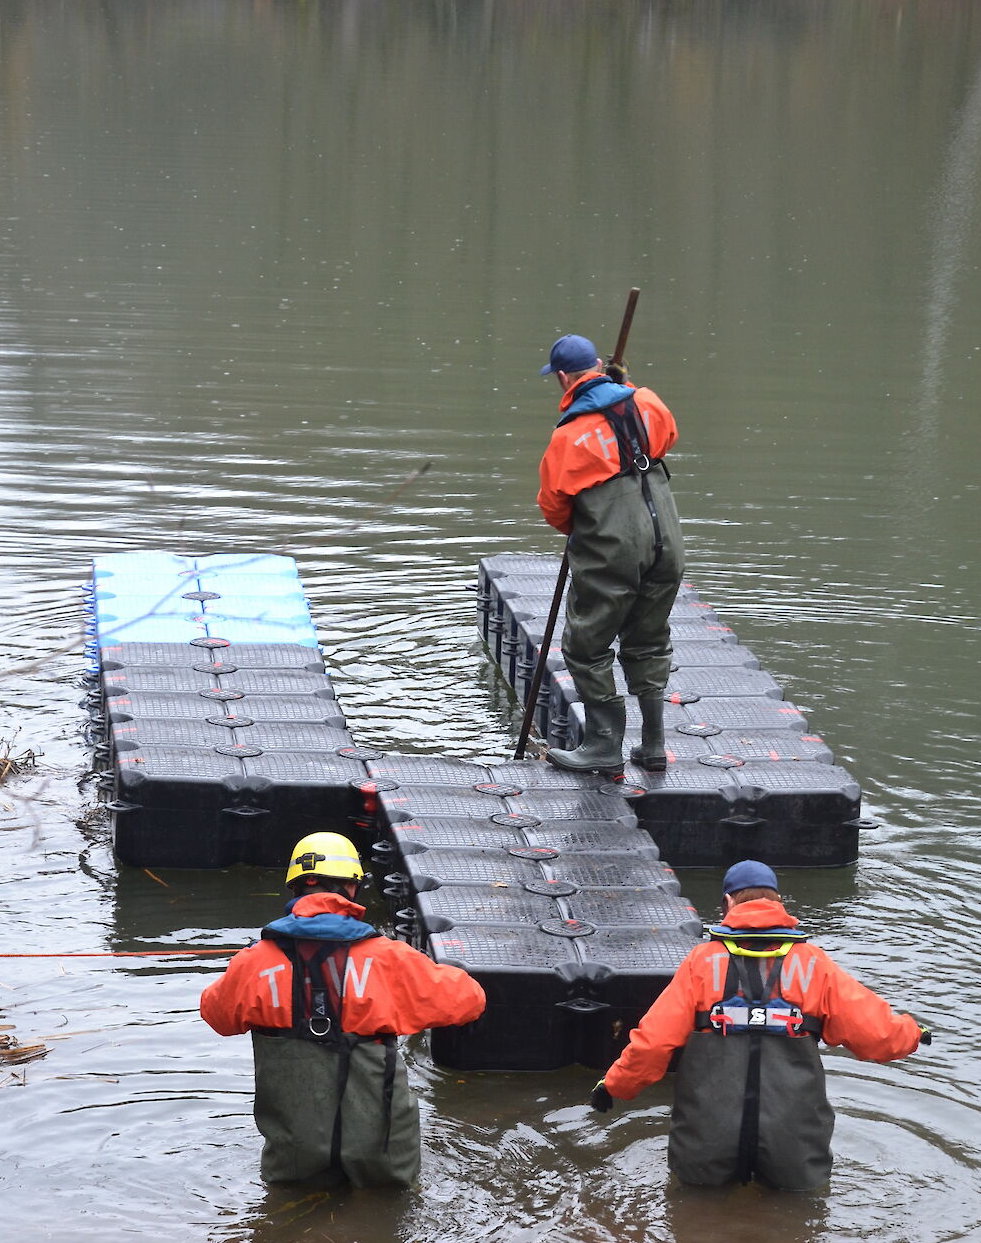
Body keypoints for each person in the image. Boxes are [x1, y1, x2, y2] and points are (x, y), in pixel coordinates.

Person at [589, 859, 929, 1191]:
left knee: (698, 1218)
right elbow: (878, 1035)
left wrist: (614, 1086)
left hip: (708, 1138)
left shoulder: (701, 963)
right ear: (778, 901)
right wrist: (914, 1033)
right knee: (798, 1227)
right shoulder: (814, 964)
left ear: (727, 903)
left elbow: (653, 1044)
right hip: (792, 1143)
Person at [200, 831, 486, 1189]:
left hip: (295, 1155)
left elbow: (215, 1014)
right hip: (381, 1155)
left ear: (295, 889)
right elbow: (470, 1000)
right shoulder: (389, 958)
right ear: (352, 888)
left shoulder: (255, 961)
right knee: (390, 1218)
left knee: (286, 1208)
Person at [536, 332, 685, 774]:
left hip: (613, 549)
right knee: (649, 639)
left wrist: (585, 531)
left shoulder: (569, 437)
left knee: (587, 645)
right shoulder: (647, 401)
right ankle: (654, 746)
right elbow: (665, 437)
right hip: (667, 543)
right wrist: (625, 388)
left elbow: (554, 507)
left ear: (564, 379)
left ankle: (603, 745)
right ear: (600, 365)